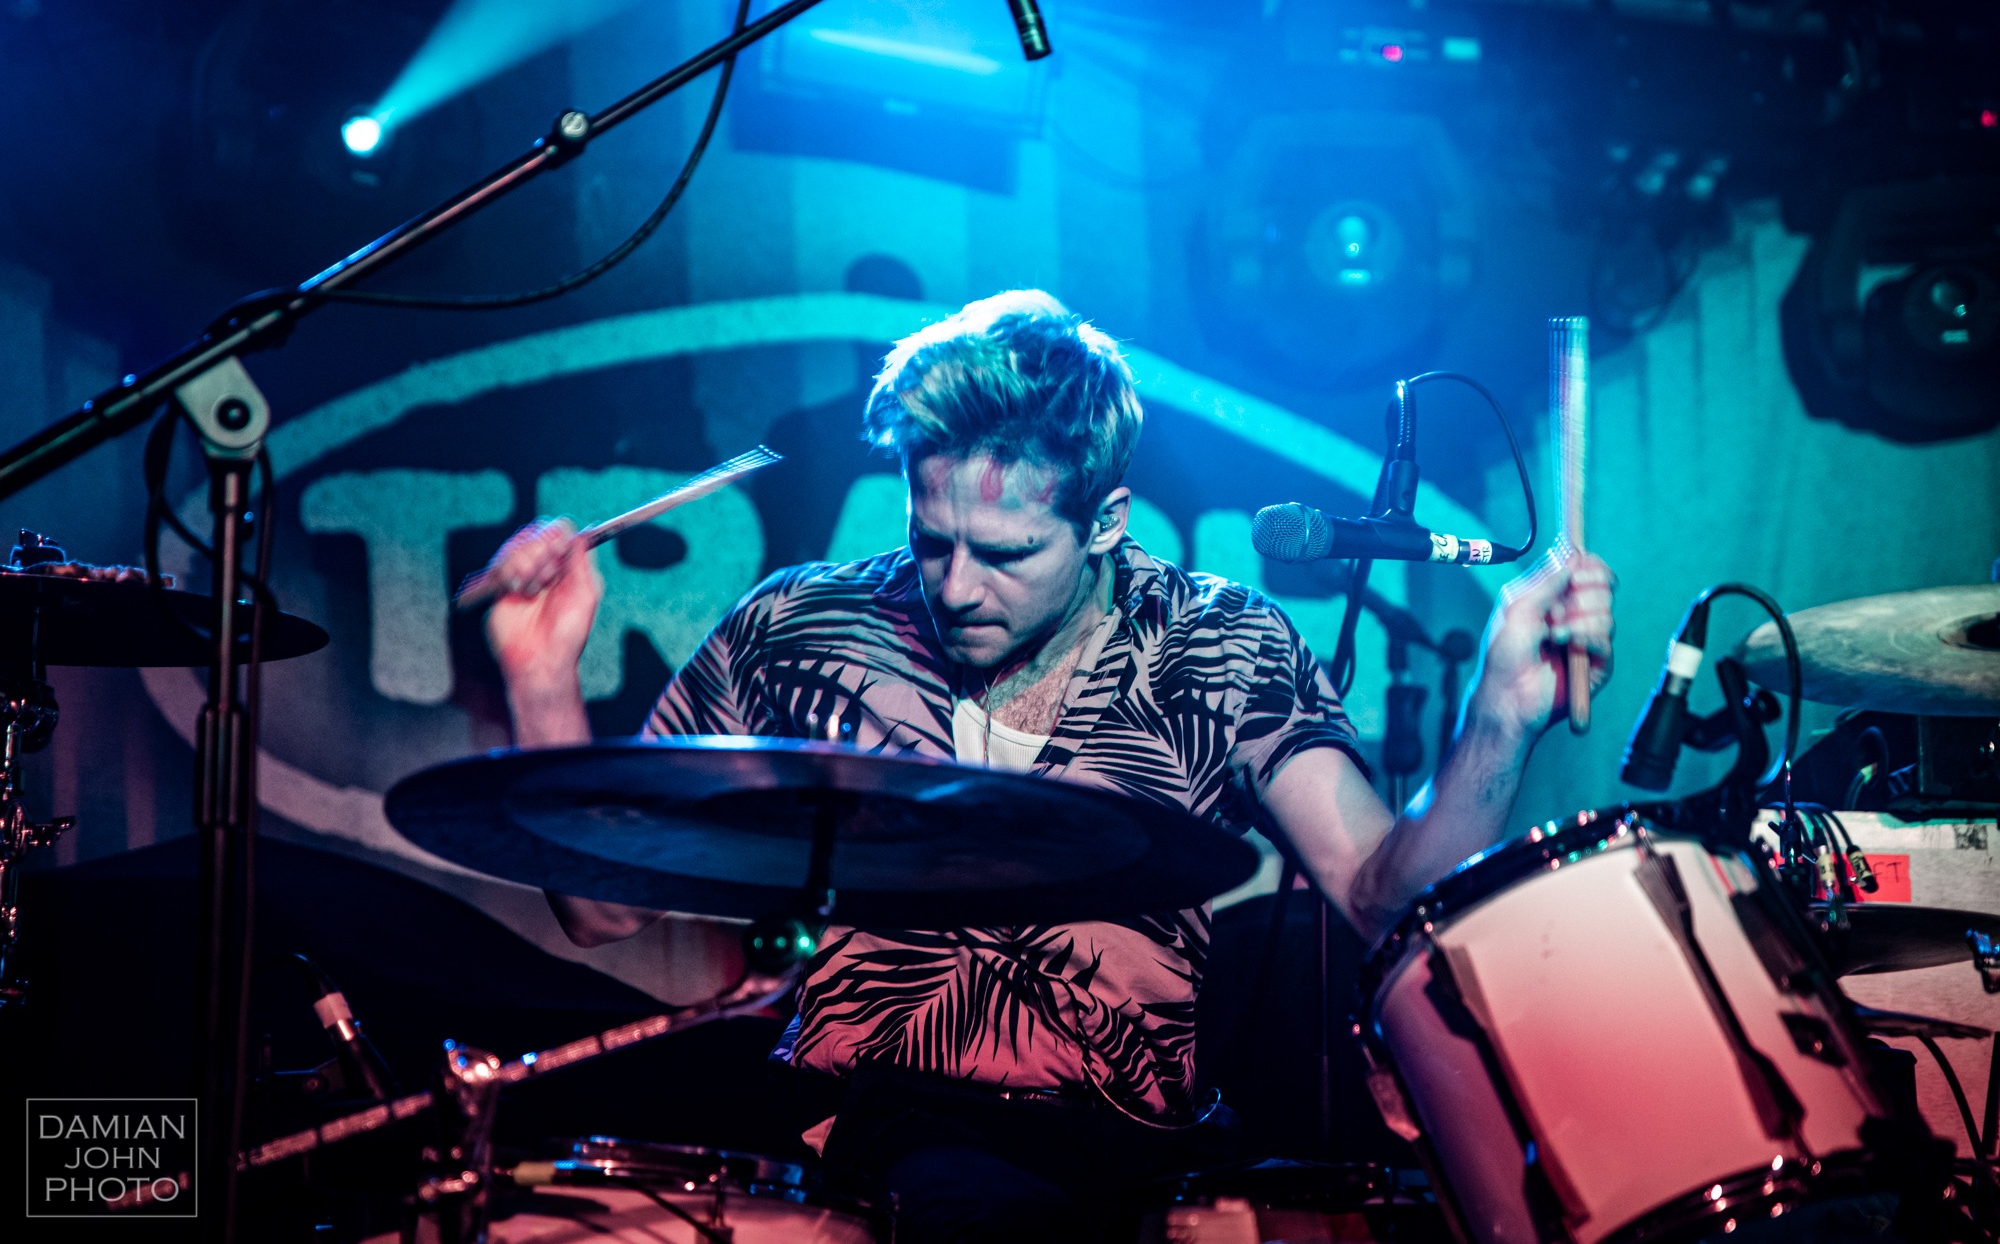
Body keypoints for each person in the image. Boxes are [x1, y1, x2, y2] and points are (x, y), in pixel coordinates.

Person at [480, 290, 1615, 1242]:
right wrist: (542, 677)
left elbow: (1379, 893)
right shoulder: (802, 628)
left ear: (1106, 518)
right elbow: (597, 907)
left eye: (1006, 551)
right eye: (932, 539)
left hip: (1132, 1146)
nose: (957, 585)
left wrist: (1497, 718)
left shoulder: (1216, 643)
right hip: (865, 1134)